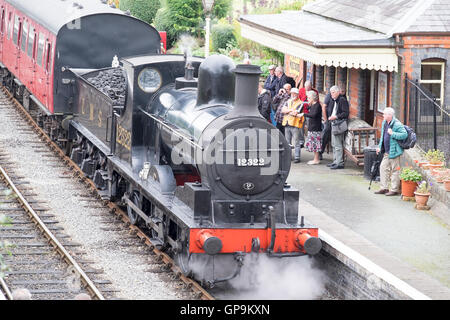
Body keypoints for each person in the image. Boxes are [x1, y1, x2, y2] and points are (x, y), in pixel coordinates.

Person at [374, 107, 408, 196]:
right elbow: (382, 136)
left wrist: (392, 133)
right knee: (383, 168)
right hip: (386, 151)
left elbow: (404, 135)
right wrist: (379, 147)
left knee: (395, 170)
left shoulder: (397, 124)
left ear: (390, 115)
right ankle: (384, 188)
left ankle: (394, 189)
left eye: (384, 114)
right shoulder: (385, 123)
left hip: (395, 151)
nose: (383, 115)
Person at [326, 85, 349, 169]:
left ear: (338, 92)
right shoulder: (334, 100)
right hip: (334, 123)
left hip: (339, 124)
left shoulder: (342, 100)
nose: (331, 94)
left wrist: (335, 117)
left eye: (333, 92)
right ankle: (335, 161)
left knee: (338, 143)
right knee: (334, 143)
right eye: (331, 92)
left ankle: (339, 163)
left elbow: (345, 113)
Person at [281, 87, 305, 163]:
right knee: (287, 142)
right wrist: (291, 110)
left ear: (297, 94)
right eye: (292, 93)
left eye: (294, 93)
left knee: (296, 142)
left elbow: (296, 113)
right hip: (287, 123)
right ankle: (289, 156)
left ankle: (297, 157)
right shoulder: (288, 101)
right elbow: (282, 110)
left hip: (295, 124)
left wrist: (288, 111)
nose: (293, 95)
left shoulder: (300, 103)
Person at [303, 90, 322, 165]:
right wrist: (308, 105)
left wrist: (304, 114)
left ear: (313, 98)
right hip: (312, 127)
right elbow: (309, 110)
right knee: (313, 144)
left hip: (316, 128)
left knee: (316, 144)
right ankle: (315, 158)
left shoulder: (317, 105)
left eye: (308, 98)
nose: (307, 99)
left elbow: (313, 115)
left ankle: (316, 159)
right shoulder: (313, 105)